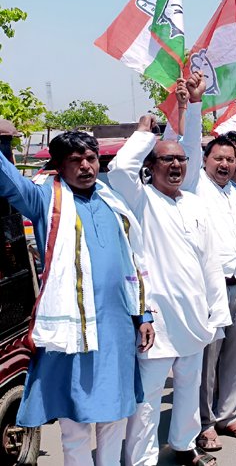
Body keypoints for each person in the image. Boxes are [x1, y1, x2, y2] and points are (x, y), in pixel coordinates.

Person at [1, 130, 153, 466]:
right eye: (75, 160)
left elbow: (132, 260)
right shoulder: (46, 200)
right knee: (75, 425)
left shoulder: (113, 200)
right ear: (58, 166)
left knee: (115, 417)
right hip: (71, 333)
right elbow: (8, 182)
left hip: (116, 329)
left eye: (91, 158)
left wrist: (144, 315)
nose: (86, 166)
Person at [109, 98, 230, 464]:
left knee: (189, 388)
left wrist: (217, 312)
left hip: (194, 317)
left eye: (181, 159)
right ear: (150, 167)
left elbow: (210, 262)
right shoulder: (140, 200)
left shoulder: (194, 203)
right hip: (157, 322)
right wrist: (143, 135)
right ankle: (142, 460)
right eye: (166, 159)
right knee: (147, 400)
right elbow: (119, 169)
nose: (176, 165)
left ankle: (183, 445)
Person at [181, 132, 236, 450]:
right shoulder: (196, 187)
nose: (225, 163)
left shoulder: (234, 193)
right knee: (208, 358)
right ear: (205, 160)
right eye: (218, 158)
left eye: (230, 158)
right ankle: (205, 422)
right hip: (208, 287)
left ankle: (229, 415)